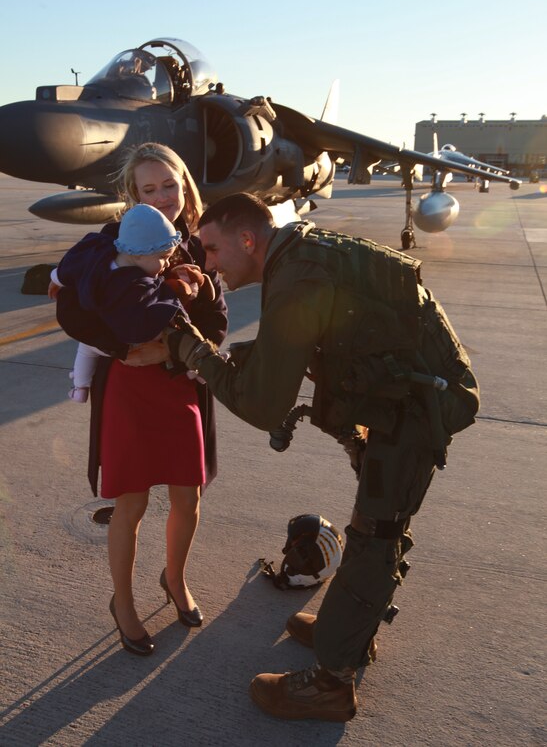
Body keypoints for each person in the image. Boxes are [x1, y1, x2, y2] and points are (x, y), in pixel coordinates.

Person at [159, 192, 479, 721]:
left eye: (213, 251)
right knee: (369, 524)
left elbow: (263, 406)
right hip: (405, 393)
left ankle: (332, 683)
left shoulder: (297, 277)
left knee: (377, 533)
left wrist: (194, 351)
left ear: (247, 239)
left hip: (418, 407)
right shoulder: (299, 252)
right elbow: (310, 335)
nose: (209, 264)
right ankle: (347, 632)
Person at [54, 143, 227, 657]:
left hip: (180, 385)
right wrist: (125, 347)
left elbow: (217, 322)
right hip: (128, 388)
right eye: (149, 189)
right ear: (131, 195)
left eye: (169, 185)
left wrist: (168, 354)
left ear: (185, 184)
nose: (163, 197)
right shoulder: (112, 241)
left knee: (188, 496)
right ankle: (123, 604)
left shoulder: (199, 246)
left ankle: (174, 579)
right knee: (130, 502)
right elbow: (69, 308)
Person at [50, 204, 207, 403]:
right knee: (176, 328)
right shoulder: (136, 283)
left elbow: (71, 265)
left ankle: (80, 386)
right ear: (139, 253)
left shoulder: (99, 258)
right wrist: (174, 294)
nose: (167, 264)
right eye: (163, 258)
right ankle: (196, 367)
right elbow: (163, 307)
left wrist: (56, 279)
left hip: (106, 342)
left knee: (86, 348)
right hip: (134, 343)